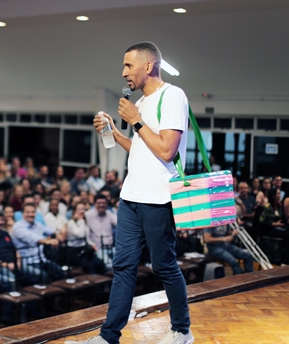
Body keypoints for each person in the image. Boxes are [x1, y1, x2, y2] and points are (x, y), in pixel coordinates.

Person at [68, 42, 193, 344]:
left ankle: (181, 331)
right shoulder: (143, 102)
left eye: (128, 66)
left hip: (158, 200)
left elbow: (165, 149)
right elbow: (142, 148)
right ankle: (108, 336)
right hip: (130, 199)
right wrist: (114, 130)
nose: (123, 72)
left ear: (148, 66)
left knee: (164, 266)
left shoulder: (172, 96)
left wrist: (136, 119)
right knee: (122, 267)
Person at [11, 203, 65, 284]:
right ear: (22, 214)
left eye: (33, 212)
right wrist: (48, 241)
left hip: (41, 259)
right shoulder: (17, 227)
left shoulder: (37, 225)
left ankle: (58, 295)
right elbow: (33, 238)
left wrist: (58, 233)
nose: (30, 214)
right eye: (28, 212)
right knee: (43, 276)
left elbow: (50, 230)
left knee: (60, 272)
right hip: (27, 262)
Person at [85, 194, 117, 269]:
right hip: (98, 248)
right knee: (109, 266)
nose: (102, 205)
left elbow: (119, 223)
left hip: (111, 247)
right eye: (99, 203)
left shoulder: (109, 214)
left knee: (123, 263)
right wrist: (91, 244)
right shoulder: (88, 215)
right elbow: (85, 232)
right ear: (94, 204)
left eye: (104, 203)